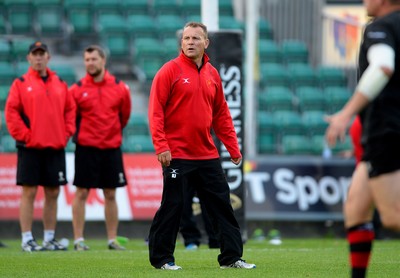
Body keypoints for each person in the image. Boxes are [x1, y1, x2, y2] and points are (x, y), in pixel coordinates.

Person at [147, 22, 255, 270]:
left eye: (196, 38)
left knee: (222, 206)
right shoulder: (169, 71)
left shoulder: (212, 74)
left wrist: (233, 147)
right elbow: (155, 112)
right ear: (181, 42)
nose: (190, 42)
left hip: (207, 155)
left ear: (206, 43)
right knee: (173, 207)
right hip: (177, 155)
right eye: (186, 38)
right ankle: (162, 259)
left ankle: (231, 258)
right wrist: (161, 145)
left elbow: (222, 114)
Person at [325, 1, 400, 277]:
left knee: (392, 217)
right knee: (356, 210)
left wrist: (346, 113)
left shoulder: (380, 27)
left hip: (386, 129)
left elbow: (382, 67)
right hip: (383, 130)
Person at [5, 41, 76, 252]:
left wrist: (65, 134)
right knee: (29, 191)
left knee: (53, 192)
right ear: (28, 58)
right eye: (34, 54)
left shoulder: (60, 83)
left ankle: (48, 238)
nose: (38, 57)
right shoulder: (20, 83)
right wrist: (25, 136)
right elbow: (11, 113)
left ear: (48, 57)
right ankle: (27, 238)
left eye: (41, 54)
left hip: (55, 146)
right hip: (30, 147)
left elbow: (70, 111)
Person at [69, 45, 131, 251]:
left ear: (103, 61)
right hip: (86, 148)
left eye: (93, 59)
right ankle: (78, 240)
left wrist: (111, 133)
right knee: (81, 193)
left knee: (111, 194)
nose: (90, 63)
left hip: (111, 147)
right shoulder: (76, 90)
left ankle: (112, 239)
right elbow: (71, 118)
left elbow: (124, 116)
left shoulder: (120, 87)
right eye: (87, 60)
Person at [180, 183, 220, 250]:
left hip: (205, 173)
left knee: (210, 204)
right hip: (183, 173)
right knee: (184, 203)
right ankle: (191, 240)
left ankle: (216, 241)